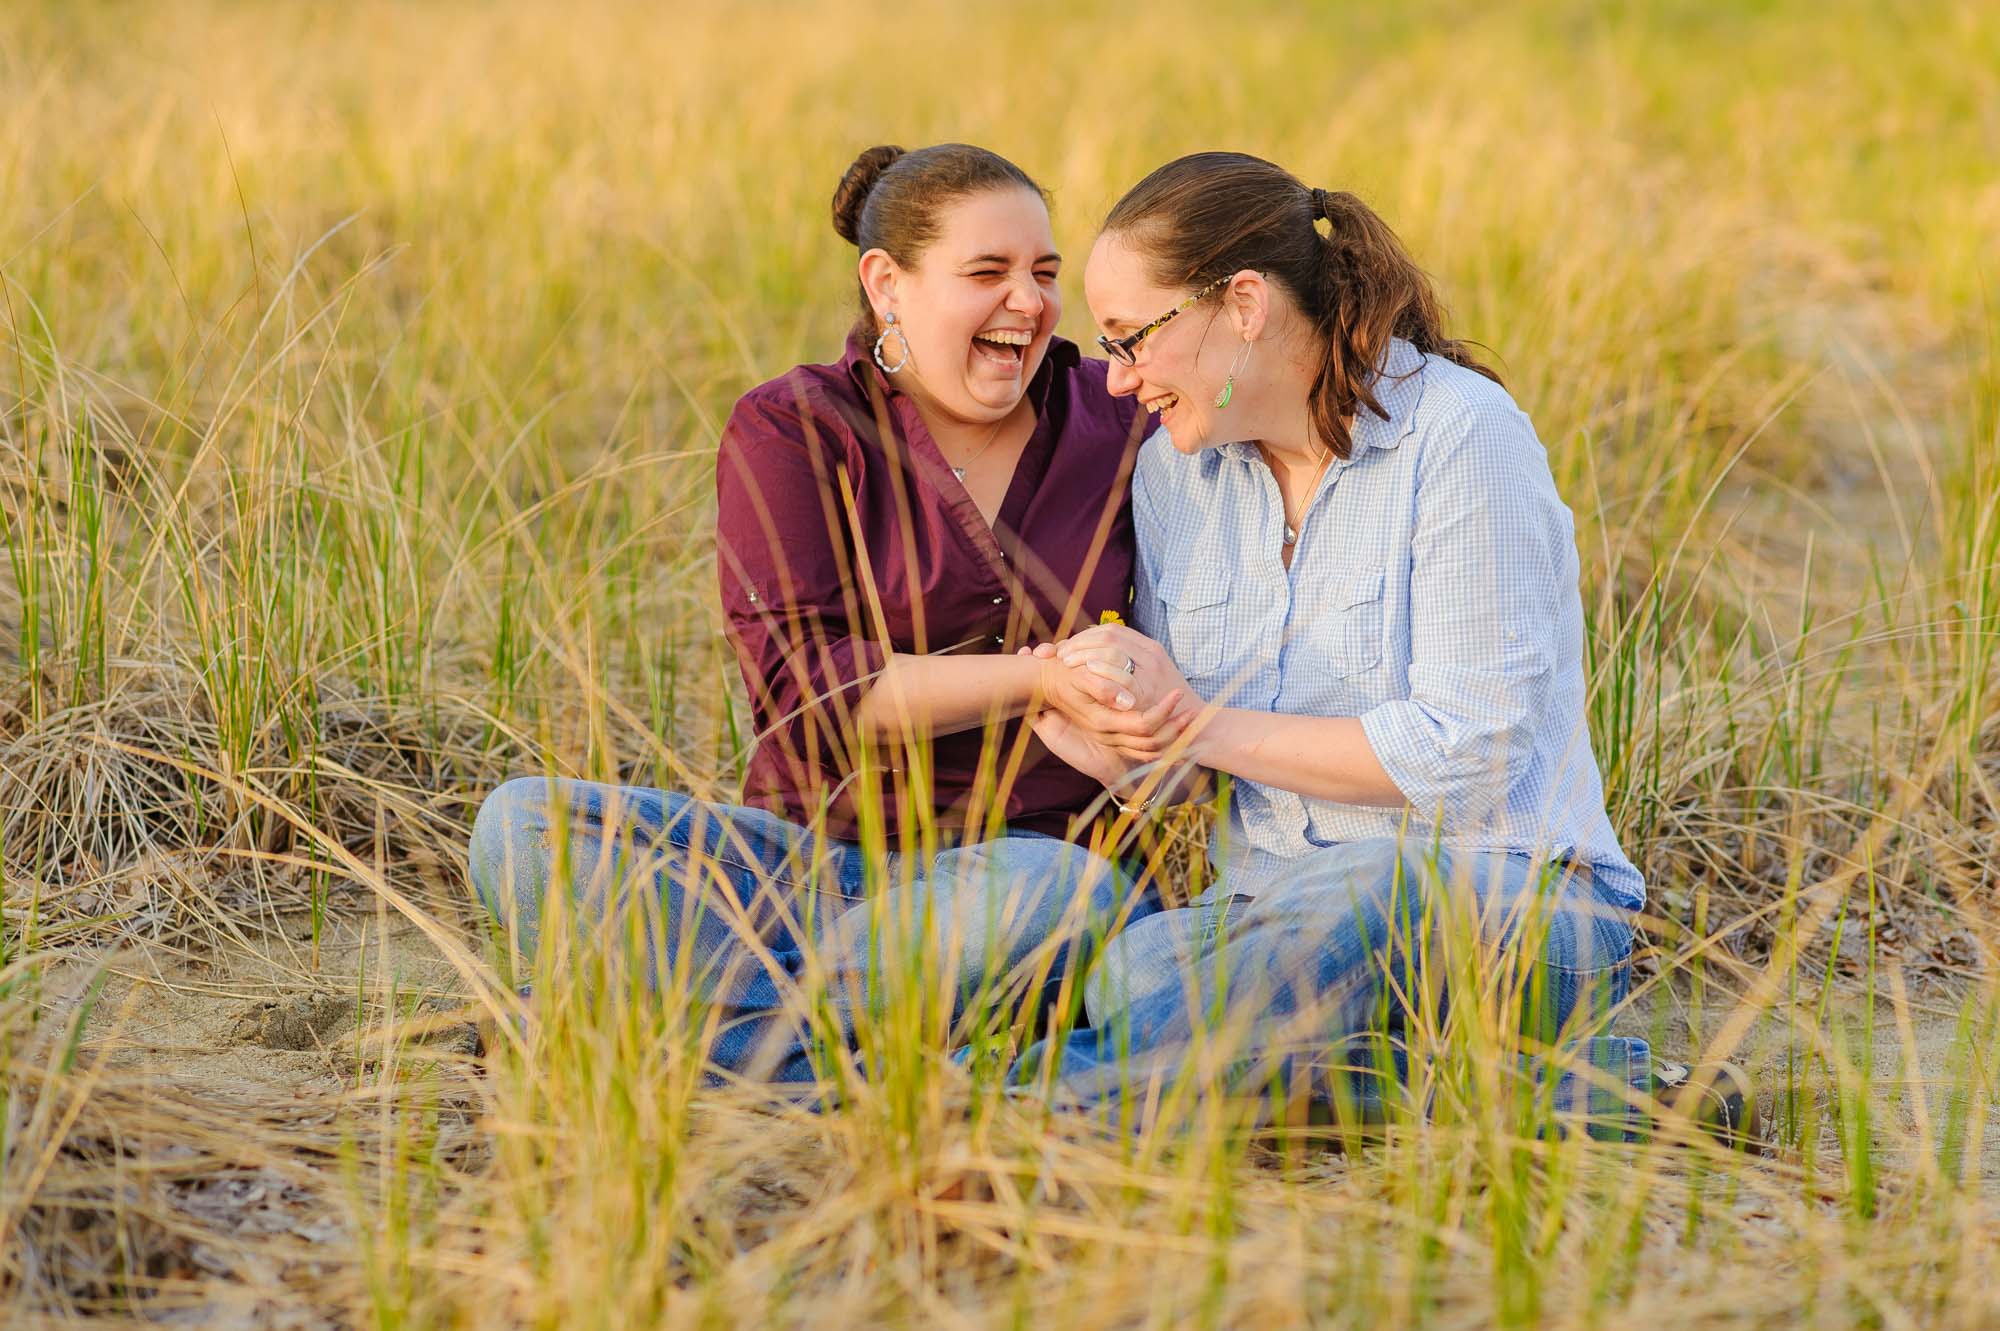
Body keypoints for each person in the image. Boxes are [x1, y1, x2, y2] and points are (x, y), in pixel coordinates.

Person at [1018, 152, 1750, 1141]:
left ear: (1240, 303)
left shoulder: (1460, 436)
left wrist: (1192, 719)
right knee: (1134, 972)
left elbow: (1466, 751)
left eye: (1131, 338)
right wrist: (1129, 747)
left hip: (1510, 901)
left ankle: (1013, 1104)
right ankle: (1577, 1097)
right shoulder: (1172, 476)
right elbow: (1205, 775)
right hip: (1268, 922)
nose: (1118, 377)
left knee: (1369, 892)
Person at [467, 144, 1172, 1085]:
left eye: (1044, 274)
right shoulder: (795, 427)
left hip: (1024, 870)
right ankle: (846, 1050)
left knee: (1064, 901)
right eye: (987, 273)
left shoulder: (1118, 421)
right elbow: (807, 696)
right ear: (886, 284)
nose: (1030, 302)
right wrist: (1041, 676)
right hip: (804, 866)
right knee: (524, 827)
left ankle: (644, 1043)